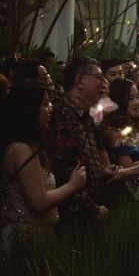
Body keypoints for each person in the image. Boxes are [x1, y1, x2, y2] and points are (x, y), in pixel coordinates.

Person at [0, 83, 87, 253]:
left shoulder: (30, 147)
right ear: (29, 109)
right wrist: (73, 184)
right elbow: (39, 202)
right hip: (24, 239)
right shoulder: (21, 150)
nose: (51, 108)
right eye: (45, 104)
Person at [46, 57, 115, 224]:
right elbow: (64, 172)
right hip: (75, 220)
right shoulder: (63, 116)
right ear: (79, 81)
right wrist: (93, 211)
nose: (103, 82)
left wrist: (100, 171)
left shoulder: (85, 116)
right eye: (98, 77)